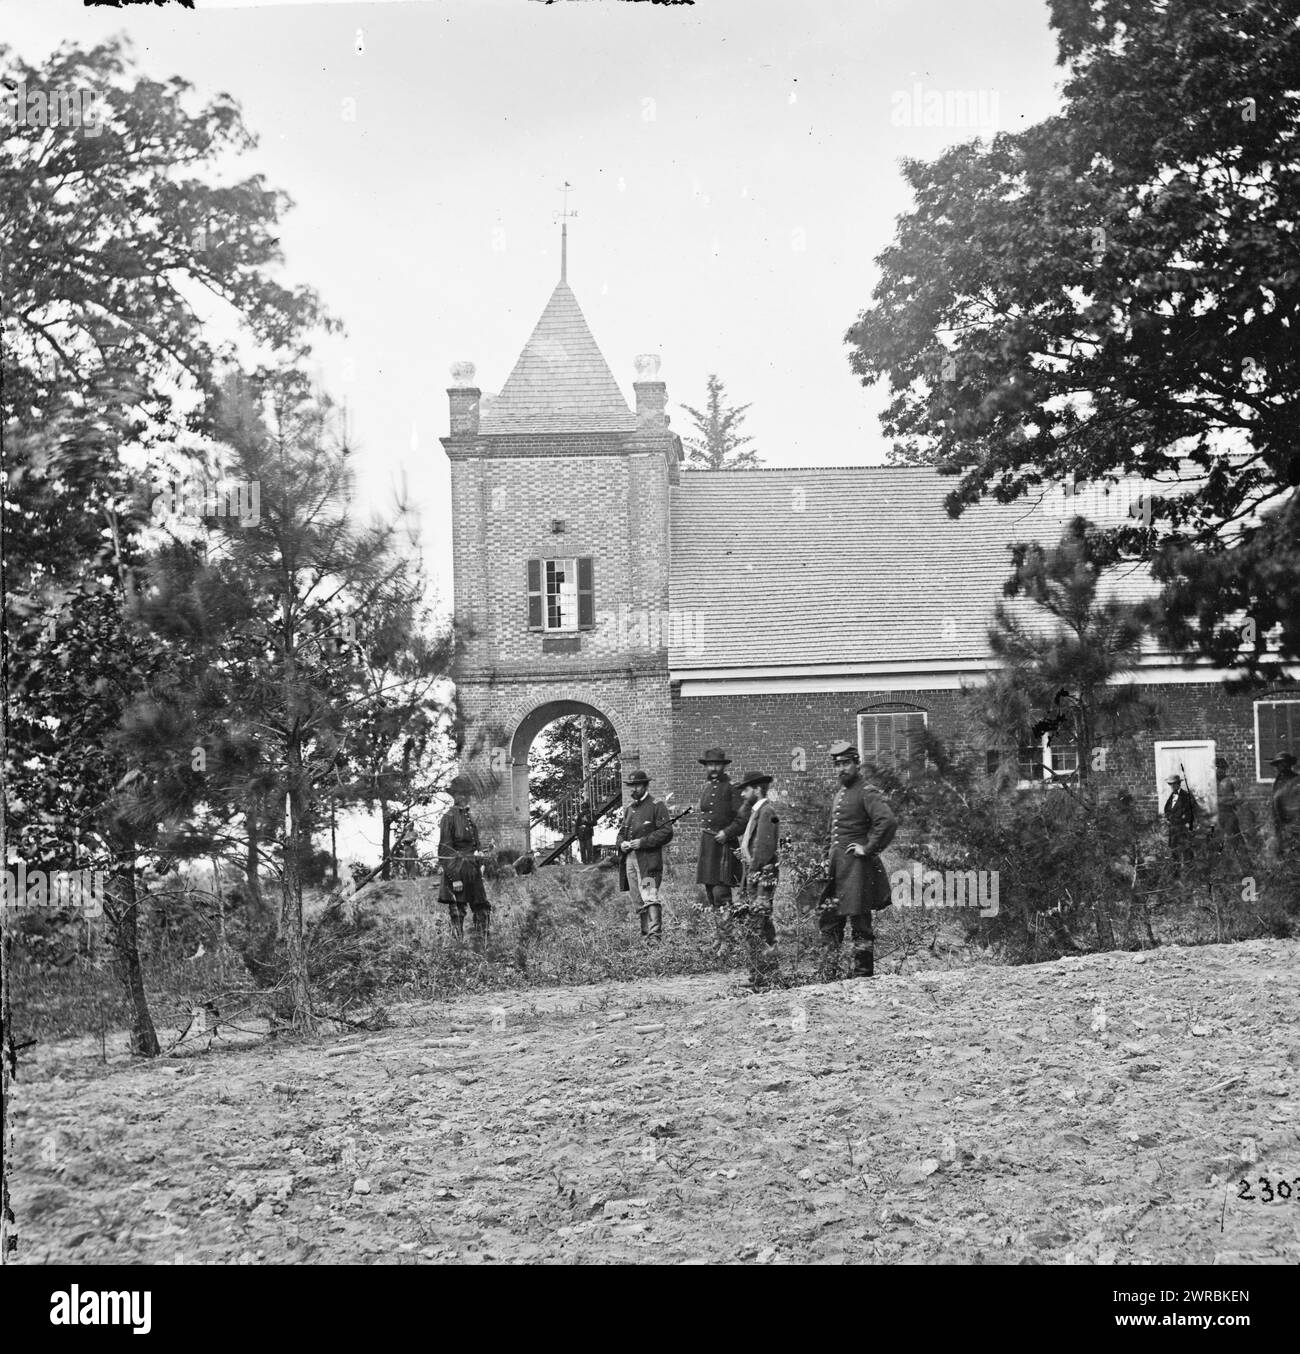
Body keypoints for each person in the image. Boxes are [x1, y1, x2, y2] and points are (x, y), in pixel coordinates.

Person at [820, 740, 897, 980]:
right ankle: (828, 973)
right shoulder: (840, 794)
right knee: (830, 919)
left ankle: (863, 976)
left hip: (857, 868)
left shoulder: (866, 791)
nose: (841, 768)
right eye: (837, 764)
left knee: (860, 921)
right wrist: (825, 858)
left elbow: (887, 821)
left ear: (857, 764)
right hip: (837, 867)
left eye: (846, 763)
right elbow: (832, 832)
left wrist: (868, 848)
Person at [694, 747, 750, 956]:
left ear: (723, 766)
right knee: (711, 893)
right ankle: (720, 938)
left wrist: (727, 833)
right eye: (710, 765)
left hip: (724, 845)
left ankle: (729, 941)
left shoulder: (731, 789)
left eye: (717, 765)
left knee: (721, 894)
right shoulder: (707, 787)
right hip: (708, 845)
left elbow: (744, 818)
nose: (714, 768)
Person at [616, 769, 675, 942]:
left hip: (648, 863)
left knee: (649, 896)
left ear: (646, 785)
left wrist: (643, 842)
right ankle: (644, 935)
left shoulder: (657, 805)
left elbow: (666, 832)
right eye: (631, 786)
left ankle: (655, 936)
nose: (634, 789)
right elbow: (620, 833)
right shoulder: (629, 809)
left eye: (638, 785)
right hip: (630, 862)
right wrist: (622, 843)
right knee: (637, 898)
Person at [735, 771, 780, 986]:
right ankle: (762, 973)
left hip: (763, 875)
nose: (743, 794)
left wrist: (753, 872)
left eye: (746, 789)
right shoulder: (757, 812)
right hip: (756, 873)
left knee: (758, 923)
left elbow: (764, 848)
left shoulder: (766, 811)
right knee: (759, 923)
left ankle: (764, 975)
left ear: (757, 789)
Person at [437, 775, 490, 945]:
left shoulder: (469, 817)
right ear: (456, 795)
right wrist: (455, 878)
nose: (467, 797)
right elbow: (445, 850)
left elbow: (476, 844)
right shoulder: (449, 817)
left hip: (472, 870)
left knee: (482, 907)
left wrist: (482, 854)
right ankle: (457, 948)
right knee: (457, 911)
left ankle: (481, 945)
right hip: (457, 870)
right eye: (463, 793)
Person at [1214, 756, 1248, 866]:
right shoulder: (1211, 784)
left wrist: (1222, 801)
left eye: (1220, 768)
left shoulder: (1231, 781)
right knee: (1216, 844)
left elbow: (1240, 798)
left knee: (1235, 841)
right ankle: (1222, 870)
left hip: (1229, 814)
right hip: (1215, 816)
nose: (1218, 770)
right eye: (1215, 768)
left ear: (1224, 769)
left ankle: (1246, 867)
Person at [1268, 751, 1300, 862]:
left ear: (1289, 764)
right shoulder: (1278, 781)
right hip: (1280, 822)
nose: (1280, 767)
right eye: (1278, 764)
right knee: (1281, 850)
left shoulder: (1296, 780)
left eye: (1283, 763)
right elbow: (1275, 801)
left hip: (1294, 822)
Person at [1162, 773, 1197, 868]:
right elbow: (1167, 810)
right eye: (1170, 784)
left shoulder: (1186, 796)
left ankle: (1190, 874)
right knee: (1174, 851)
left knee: (1186, 851)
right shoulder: (1172, 796)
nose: (1172, 786)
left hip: (1183, 829)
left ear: (1178, 784)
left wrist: (1186, 823)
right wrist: (1168, 818)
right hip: (1173, 829)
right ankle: (1176, 874)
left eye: (1174, 784)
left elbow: (1192, 811)